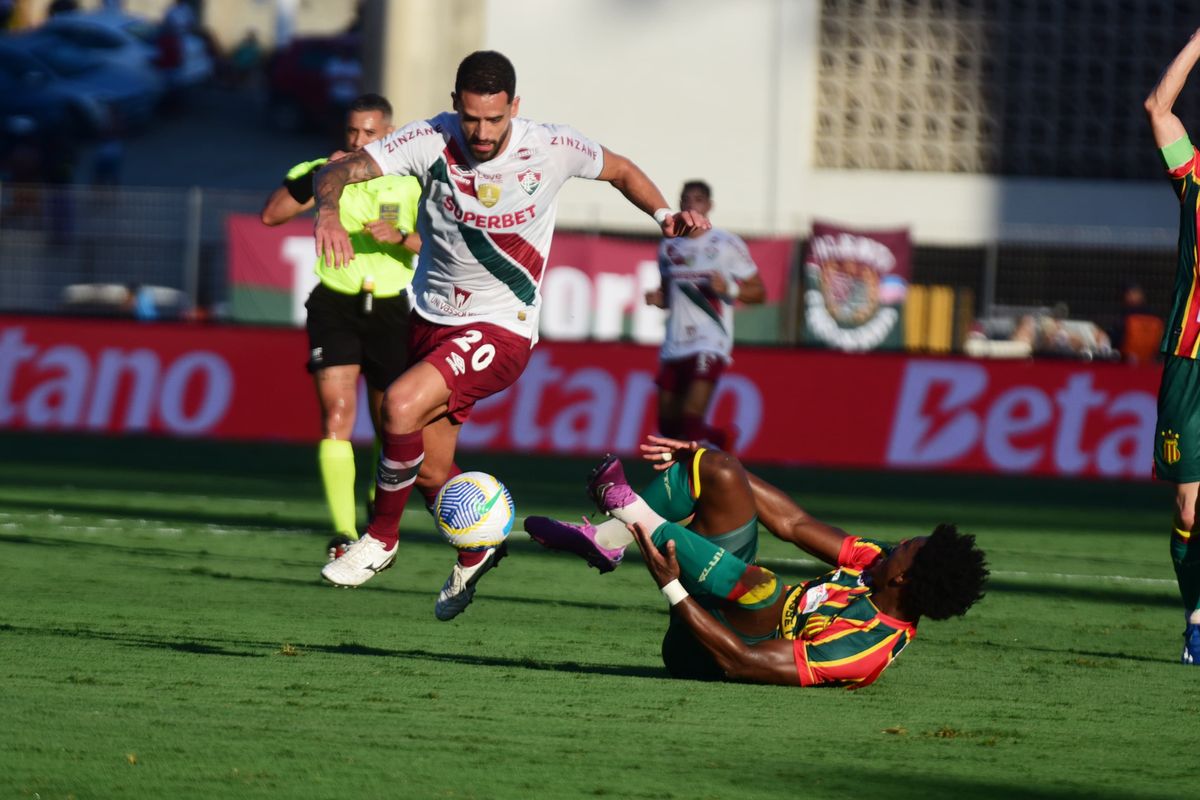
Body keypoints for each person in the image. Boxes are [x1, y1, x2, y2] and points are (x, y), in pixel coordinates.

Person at [313, 50, 710, 621]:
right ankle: (478, 547)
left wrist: (665, 215)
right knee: (427, 469)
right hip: (431, 320)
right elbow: (338, 171)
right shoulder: (428, 138)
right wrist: (328, 211)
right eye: (471, 118)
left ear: (514, 108)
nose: (481, 132)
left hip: (502, 328)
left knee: (397, 406)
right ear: (456, 106)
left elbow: (620, 169)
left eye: (494, 119)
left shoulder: (550, 146)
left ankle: (379, 540)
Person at [525, 437, 988, 687]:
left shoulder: (866, 649)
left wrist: (672, 587)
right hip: (725, 595)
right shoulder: (874, 564)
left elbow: (741, 662)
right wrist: (701, 460)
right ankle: (609, 537)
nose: (898, 542)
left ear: (905, 577)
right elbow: (792, 522)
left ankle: (627, 512)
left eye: (908, 546)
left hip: (703, 652)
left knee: (764, 589)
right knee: (720, 469)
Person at [260, 93, 423, 563]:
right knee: (336, 416)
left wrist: (403, 238)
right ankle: (342, 534)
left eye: (368, 133)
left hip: (391, 308)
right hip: (335, 305)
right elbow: (271, 215)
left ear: (388, 135)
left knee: (390, 422)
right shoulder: (326, 171)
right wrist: (319, 180)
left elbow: (446, 243)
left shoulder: (412, 181)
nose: (357, 141)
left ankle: (378, 517)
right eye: (352, 132)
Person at [1143, 27, 1200, 665]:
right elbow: (1158, 108)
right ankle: (1195, 617)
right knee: (1188, 502)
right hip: (1190, 358)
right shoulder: (1196, 179)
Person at [644, 181, 764, 451]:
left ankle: (697, 484)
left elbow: (759, 292)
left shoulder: (725, 244)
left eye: (698, 200)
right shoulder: (669, 246)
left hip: (709, 341)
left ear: (709, 206)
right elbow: (669, 294)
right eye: (686, 199)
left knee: (690, 420)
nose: (691, 205)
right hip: (675, 343)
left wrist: (730, 288)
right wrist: (659, 299)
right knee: (667, 426)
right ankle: (721, 441)